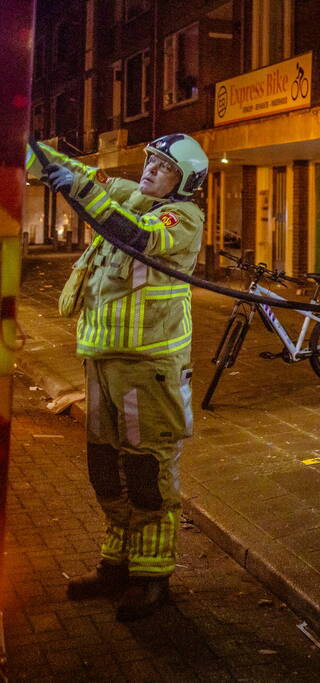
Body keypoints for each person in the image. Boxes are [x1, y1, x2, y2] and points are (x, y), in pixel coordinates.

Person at [26, 134, 208, 620]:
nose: (150, 169)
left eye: (163, 167)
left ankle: (151, 577)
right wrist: (25, 150)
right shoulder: (134, 196)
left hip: (147, 368)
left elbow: (137, 235)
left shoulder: (182, 219)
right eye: (150, 160)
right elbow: (87, 179)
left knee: (145, 471)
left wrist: (82, 193)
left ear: (183, 182)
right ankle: (117, 565)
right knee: (105, 469)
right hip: (103, 361)